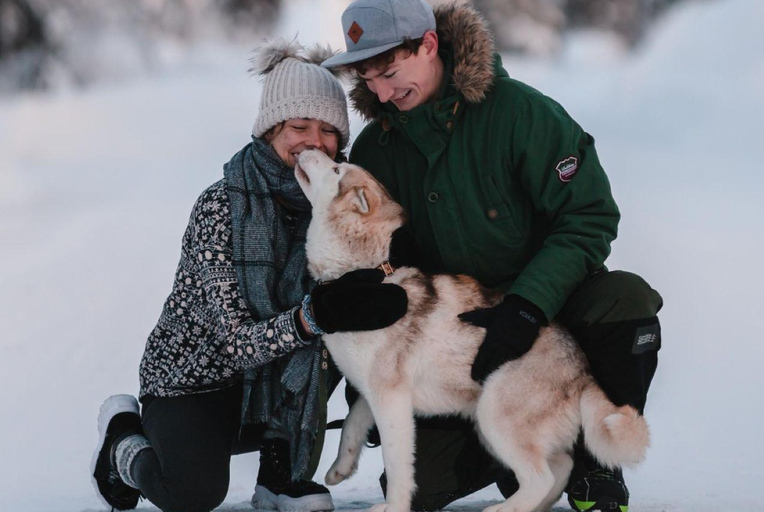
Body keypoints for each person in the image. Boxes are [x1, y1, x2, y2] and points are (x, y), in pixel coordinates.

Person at [321, 1, 663, 511]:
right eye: (370, 81)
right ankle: (524, 456)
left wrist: (528, 304)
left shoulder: (520, 113)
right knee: (426, 485)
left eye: (391, 73)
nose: (384, 93)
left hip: (548, 308)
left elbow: (589, 218)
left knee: (625, 302)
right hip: (457, 344)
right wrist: (366, 381)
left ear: (430, 45)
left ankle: (594, 468)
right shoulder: (377, 149)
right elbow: (376, 264)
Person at [90, 40, 408, 512]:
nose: (313, 143)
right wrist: (311, 317)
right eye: (299, 127)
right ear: (270, 129)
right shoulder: (220, 205)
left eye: (327, 131)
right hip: (195, 380)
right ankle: (122, 440)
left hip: (277, 381)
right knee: (192, 493)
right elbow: (238, 342)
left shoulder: (331, 206)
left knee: (339, 321)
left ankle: (279, 477)